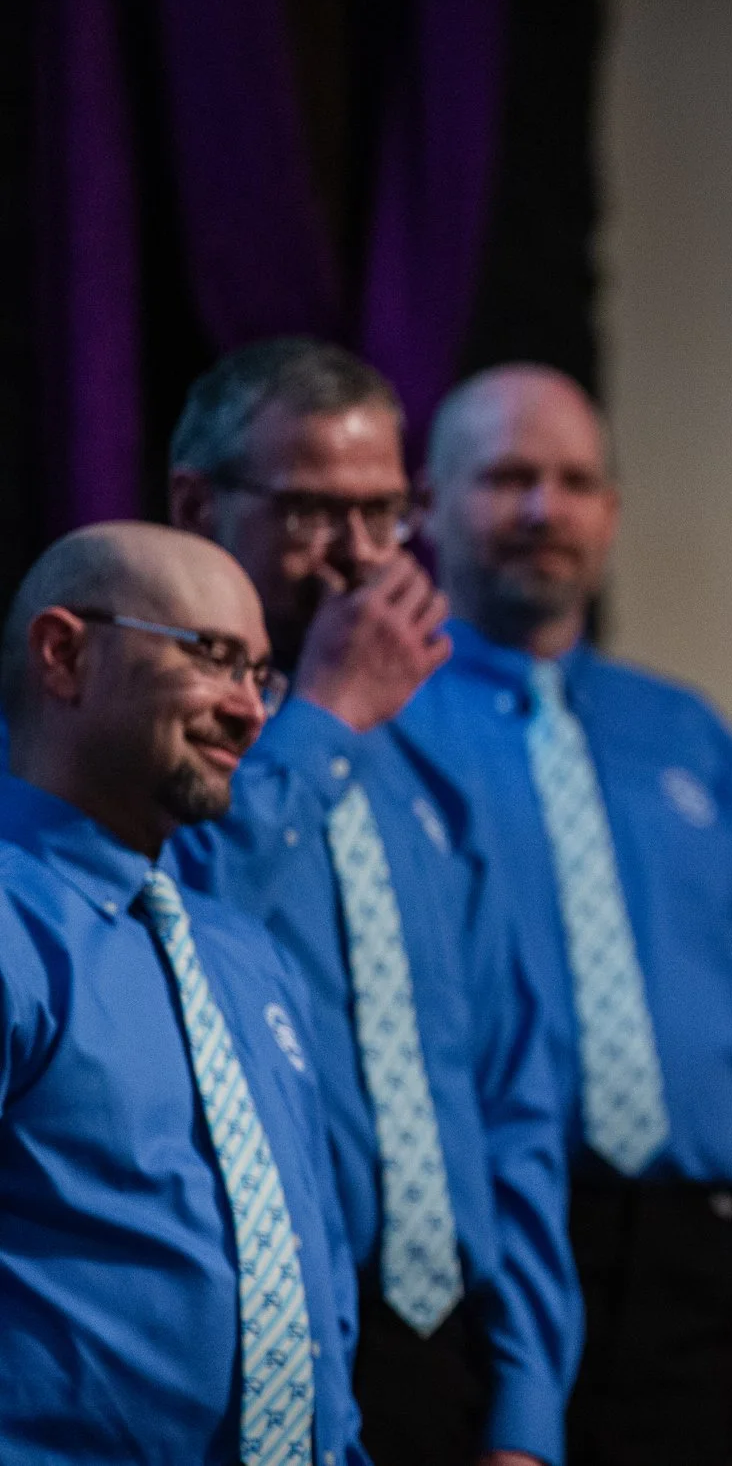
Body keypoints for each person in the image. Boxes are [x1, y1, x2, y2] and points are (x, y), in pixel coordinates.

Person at [396, 365, 732, 1466]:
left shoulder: (691, 741)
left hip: (703, 1274)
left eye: (573, 480)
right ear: (426, 503)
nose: (543, 508)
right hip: (478, 1266)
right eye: (508, 478)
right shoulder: (382, 726)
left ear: (610, 511)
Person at [160, 340, 577, 1466]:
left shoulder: (435, 766)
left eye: (383, 514)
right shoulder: (138, 747)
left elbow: (512, 1092)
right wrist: (323, 716)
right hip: (258, 1350)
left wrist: (529, 1404)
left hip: (454, 1351)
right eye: (309, 513)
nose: (355, 561)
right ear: (198, 504)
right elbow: (171, 941)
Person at [0, 523, 366, 1464]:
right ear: (64, 653)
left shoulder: (242, 952)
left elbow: (315, 1265)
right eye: (213, 658)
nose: (251, 710)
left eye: (262, 674)